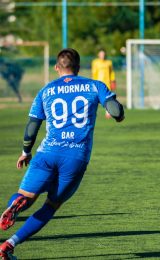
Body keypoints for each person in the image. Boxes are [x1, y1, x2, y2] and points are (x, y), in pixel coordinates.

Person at [0, 48, 124, 259]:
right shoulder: (94, 85)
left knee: (26, 196)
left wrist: (25, 151)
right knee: (50, 206)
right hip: (75, 157)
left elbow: (32, 125)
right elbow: (116, 111)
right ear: (78, 67)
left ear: (57, 67)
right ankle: (9, 245)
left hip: (46, 153)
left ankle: (15, 205)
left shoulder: (46, 91)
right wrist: (117, 114)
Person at [92, 49, 116, 119]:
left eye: (103, 54)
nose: (102, 55)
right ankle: (93, 112)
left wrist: (113, 80)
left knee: (107, 98)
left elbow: (111, 72)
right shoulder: (95, 62)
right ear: (98, 55)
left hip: (107, 83)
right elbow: (94, 73)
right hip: (98, 83)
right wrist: (94, 82)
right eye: (101, 54)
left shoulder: (109, 62)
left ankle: (108, 112)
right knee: (95, 98)